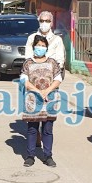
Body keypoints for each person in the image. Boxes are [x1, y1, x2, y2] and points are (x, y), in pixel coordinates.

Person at [20, 35, 63, 168]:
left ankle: (48, 156)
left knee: (47, 129)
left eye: (43, 46)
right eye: (38, 45)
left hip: (49, 100)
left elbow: (58, 78)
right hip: (33, 101)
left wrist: (47, 90)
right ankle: (30, 156)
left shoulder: (52, 62)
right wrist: (38, 91)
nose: (41, 48)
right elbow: (24, 80)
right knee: (32, 129)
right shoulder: (28, 63)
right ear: (34, 48)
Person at [24, 11, 65, 147]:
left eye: (47, 21)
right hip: (33, 82)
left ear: (51, 23)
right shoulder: (32, 38)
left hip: (50, 82)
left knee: (48, 116)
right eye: (42, 20)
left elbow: (60, 60)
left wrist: (48, 70)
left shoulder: (57, 40)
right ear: (38, 21)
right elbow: (28, 59)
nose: (44, 23)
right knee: (34, 115)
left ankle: (45, 140)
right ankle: (36, 137)